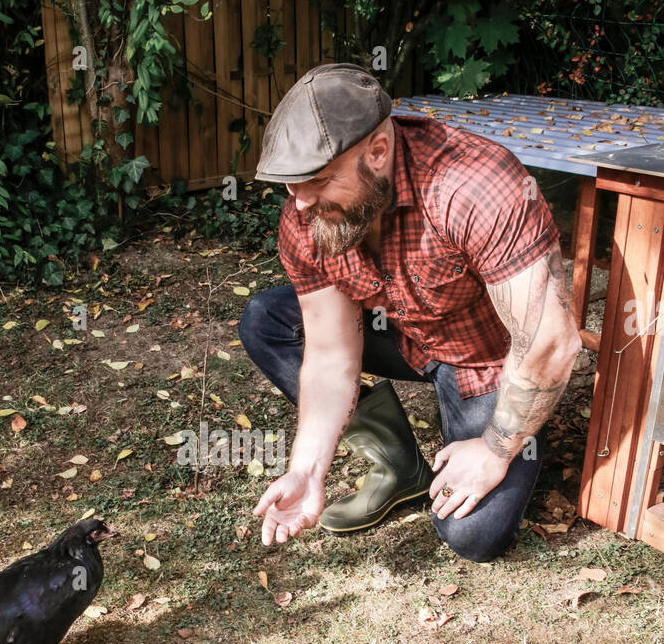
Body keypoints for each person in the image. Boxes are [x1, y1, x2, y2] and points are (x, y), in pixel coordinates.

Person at [238, 64, 581, 562]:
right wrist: (308, 471)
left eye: (317, 180)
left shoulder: (473, 186)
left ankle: (508, 430)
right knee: (267, 317)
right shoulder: (306, 214)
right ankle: (398, 464)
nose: (302, 203)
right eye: (291, 185)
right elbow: (332, 355)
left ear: (378, 152)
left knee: (472, 535)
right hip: (402, 332)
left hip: (483, 361)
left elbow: (550, 338)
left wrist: (495, 449)